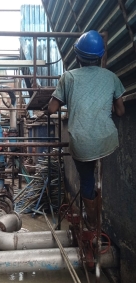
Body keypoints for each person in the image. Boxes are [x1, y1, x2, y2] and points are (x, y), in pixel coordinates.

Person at [48, 30, 125, 231]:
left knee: (87, 179)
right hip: (108, 140)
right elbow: (121, 111)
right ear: (101, 57)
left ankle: (92, 223)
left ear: (77, 56)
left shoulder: (69, 77)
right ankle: (94, 219)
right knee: (95, 174)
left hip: (82, 143)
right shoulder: (111, 77)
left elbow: (52, 109)